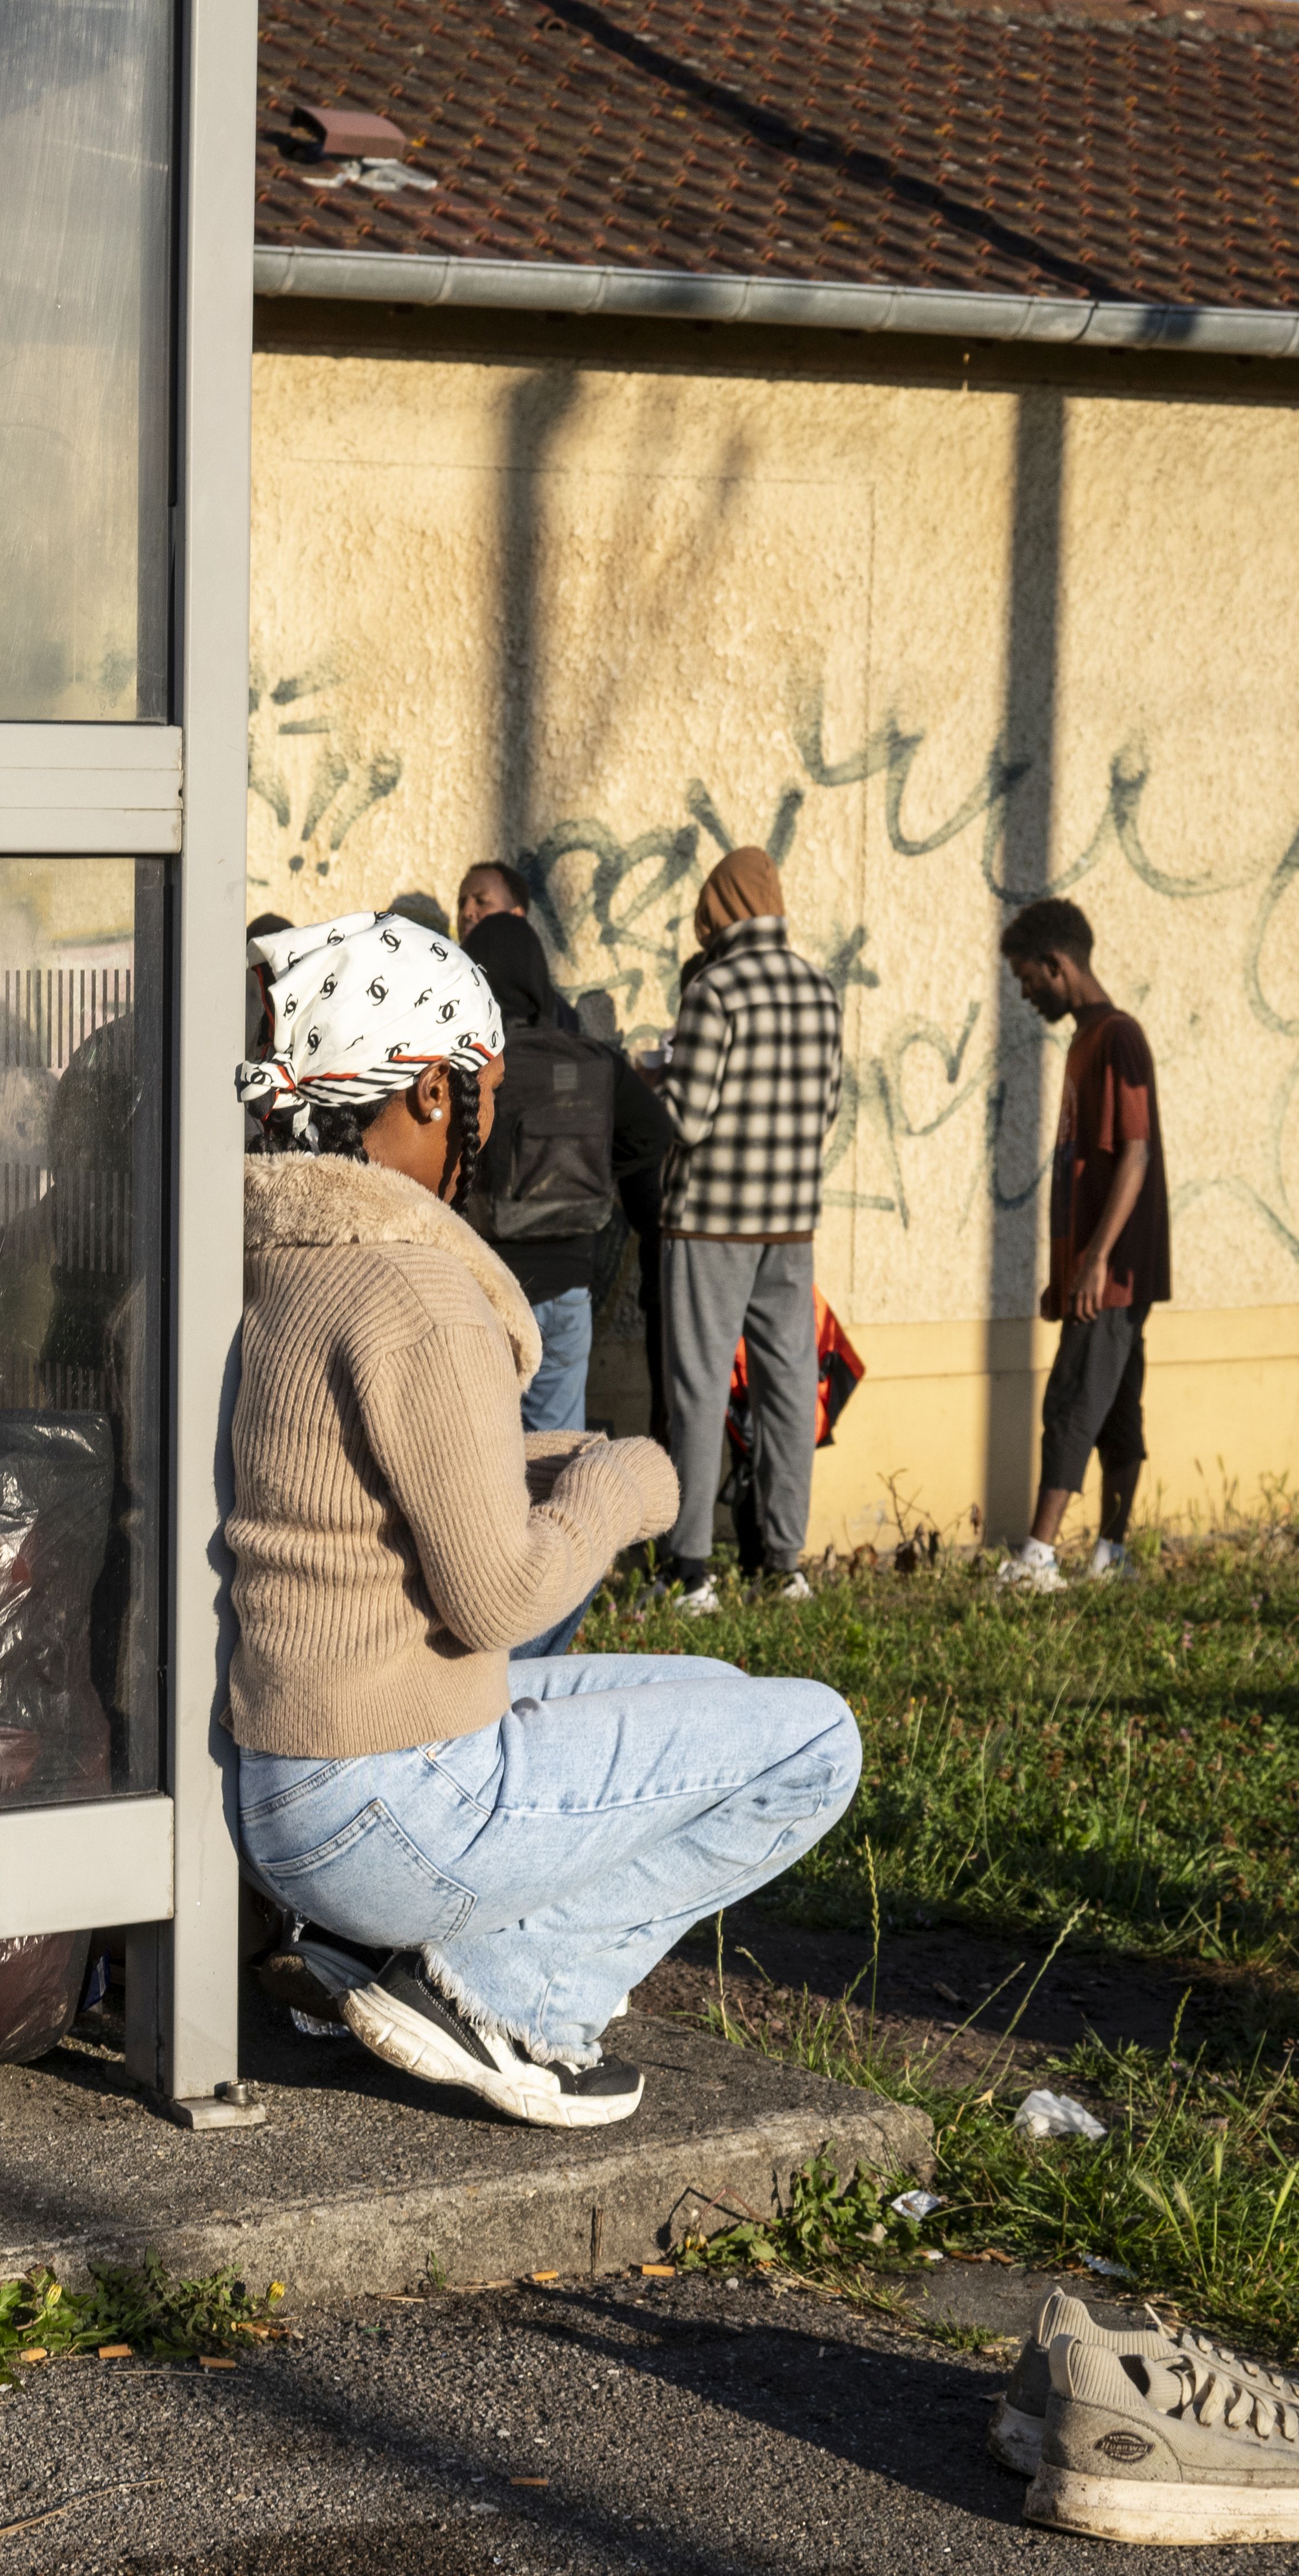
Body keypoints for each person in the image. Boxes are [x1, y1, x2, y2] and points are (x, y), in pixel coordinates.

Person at [225, 911, 857, 2129]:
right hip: (383, 1811)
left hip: (289, 1787)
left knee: (717, 1689)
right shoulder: (411, 1285)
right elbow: (501, 1598)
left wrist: (553, 1458)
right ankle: (513, 1997)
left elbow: (356, 1475)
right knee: (812, 1740)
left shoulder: (277, 1256)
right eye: (484, 1093)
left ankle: (382, 1956)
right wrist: (622, 1492)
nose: (490, 1123)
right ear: (428, 1089)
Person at [646, 848, 844, 1613]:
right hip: (790, 1220)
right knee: (789, 1385)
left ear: (718, 910)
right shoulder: (820, 989)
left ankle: (690, 1568)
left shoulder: (715, 989)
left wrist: (650, 1079)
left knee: (698, 1387)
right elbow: (827, 1110)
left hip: (710, 1221)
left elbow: (688, 1119)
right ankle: (784, 1563)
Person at [452, 858, 675, 1444]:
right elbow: (654, 1132)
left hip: (482, 1283)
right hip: (568, 1284)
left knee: (481, 1449)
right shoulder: (587, 1058)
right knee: (555, 1453)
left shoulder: (467, 1064)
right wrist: (597, 1169)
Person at [995, 899, 1167, 1592]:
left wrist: (1095, 1261)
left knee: (1070, 1402)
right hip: (1099, 1268)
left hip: (1114, 1270)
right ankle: (1111, 1555)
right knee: (1116, 1406)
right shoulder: (1085, 1040)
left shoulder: (1116, 1038)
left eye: (1027, 978)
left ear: (1057, 965)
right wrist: (1065, 1269)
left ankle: (1037, 1556)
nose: (1025, 994)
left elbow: (1135, 1154)